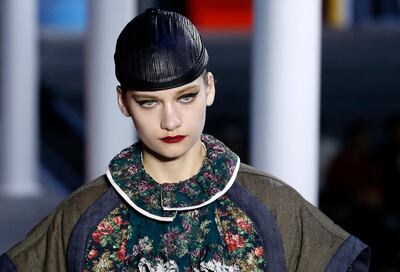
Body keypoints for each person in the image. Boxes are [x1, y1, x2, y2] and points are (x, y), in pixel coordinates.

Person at [0, 8, 369, 271]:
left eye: (186, 96)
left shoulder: (273, 207)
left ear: (209, 88)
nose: (170, 120)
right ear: (123, 103)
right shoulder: (82, 216)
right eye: (149, 103)